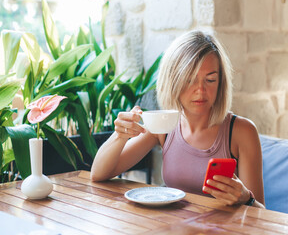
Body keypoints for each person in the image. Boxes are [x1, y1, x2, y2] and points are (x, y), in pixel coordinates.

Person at [91, 30, 265, 208]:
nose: (201, 90)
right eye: (190, 80)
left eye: (210, 80)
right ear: (173, 81)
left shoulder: (242, 132)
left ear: (221, 83)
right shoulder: (164, 126)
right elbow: (99, 174)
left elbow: (264, 215)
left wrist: (246, 198)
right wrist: (120, 135)